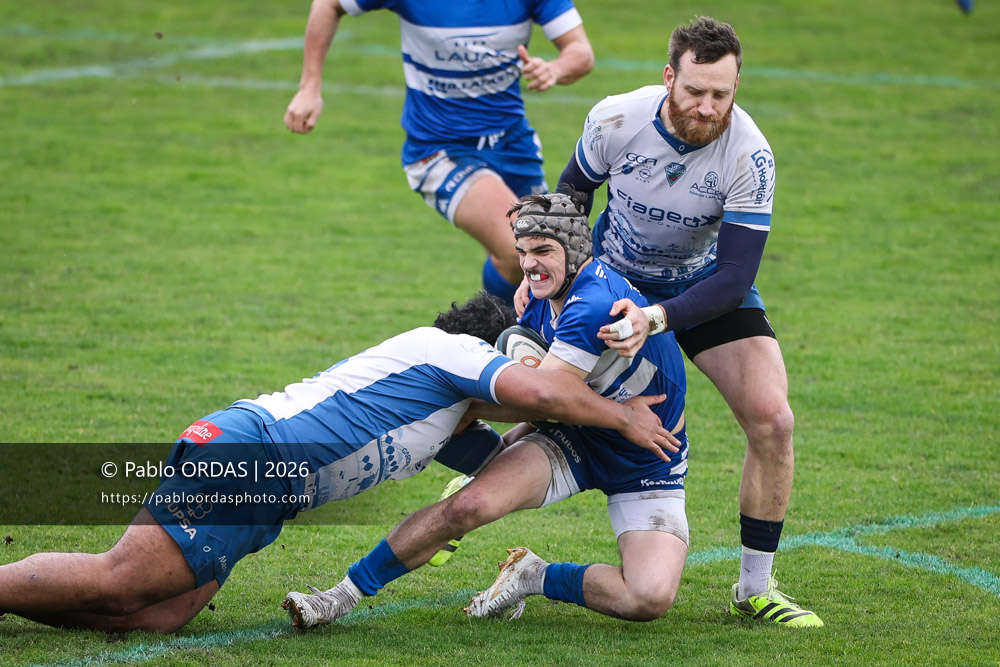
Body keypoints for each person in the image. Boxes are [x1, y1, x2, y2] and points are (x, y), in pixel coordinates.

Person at [0, 293, 677, 634]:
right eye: (522, 359)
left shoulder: (452, 420)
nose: (534, 373)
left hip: (269, 493)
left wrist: (600, 442)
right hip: (249, 455)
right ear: (493, 350)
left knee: (156, 615)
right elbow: (534, 392)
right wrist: (621, 415)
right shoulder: (447, 352)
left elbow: (510, 463)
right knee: (121, 581)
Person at [282, 190, 691, 627]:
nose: (529, 264)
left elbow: (546, 397)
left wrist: (465, 415)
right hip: (579, 437)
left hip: (648, 454)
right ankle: (339, 597)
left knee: (648, 598)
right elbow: (550, 406)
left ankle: (531, 574)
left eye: (543, 251)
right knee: (467, 508)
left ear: (574, 252)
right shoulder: (539, 292)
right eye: (522, 252)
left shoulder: (590, 304)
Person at [545, 16, 822, 626]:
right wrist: (551, 276)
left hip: (700, 292)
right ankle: (466, 493)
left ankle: (755, 587)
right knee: (539, 395)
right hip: (612, 281)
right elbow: (571, 198)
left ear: (736, 87)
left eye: (721, 94)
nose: (707, 106)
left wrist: (658, 316)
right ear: (669, 76)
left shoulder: (750, 154)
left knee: (774, 421)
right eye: (695, 90)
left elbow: (735, 278)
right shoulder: (616, 119)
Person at [283, 0, 595, 304]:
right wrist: (309, 86)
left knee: (561, 253)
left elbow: (580, 52)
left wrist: (554, 69)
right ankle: (496, 333)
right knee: (521, 248)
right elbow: (328, 4)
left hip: (514, 145)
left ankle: (516, 339)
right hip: (439, 151)